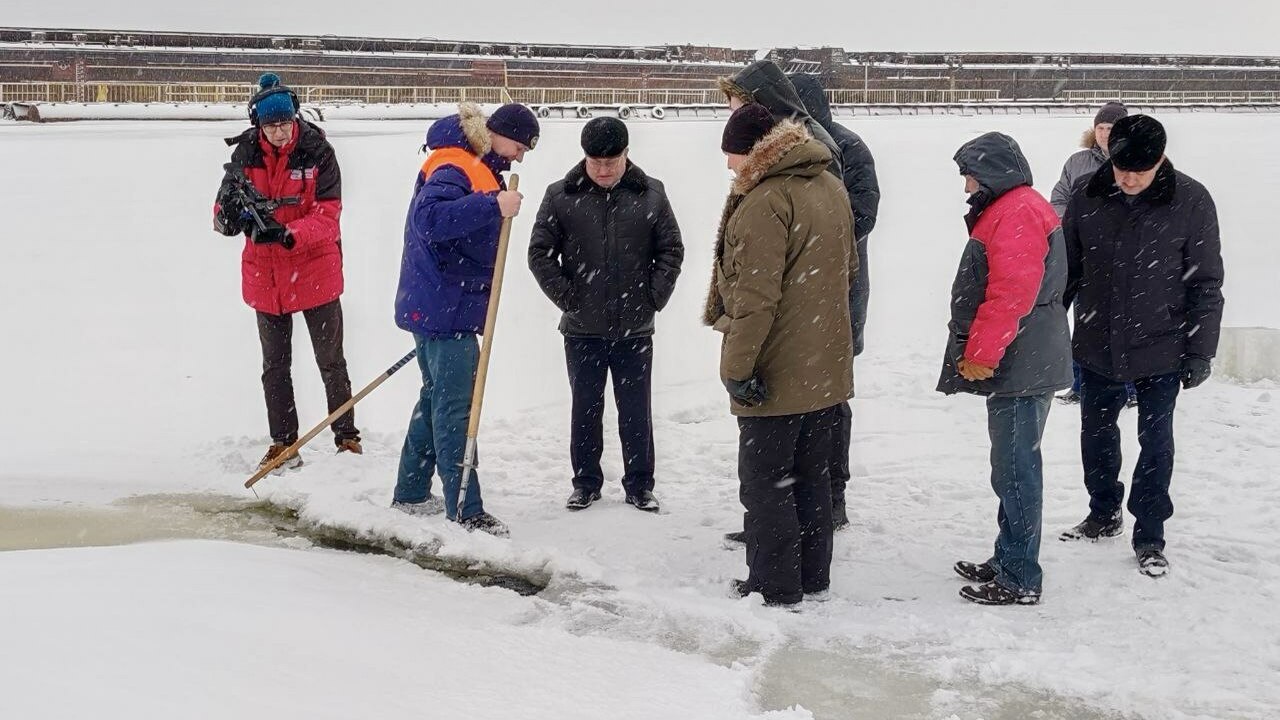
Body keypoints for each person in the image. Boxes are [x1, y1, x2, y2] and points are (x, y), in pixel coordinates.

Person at [1059, 115, 1224, 577]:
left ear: (1161, 160)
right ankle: (1102, 511)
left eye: (1141, 171)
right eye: (1121, 169)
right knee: (1096, 434)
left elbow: (1206, 284)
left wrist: (1200, 350)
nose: (1129, 179)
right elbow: (1067, 274)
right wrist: (1051, 332)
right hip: (1095, 342)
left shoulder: (1191, 201)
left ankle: (1150, 534)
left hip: (1162, 347)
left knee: (1155, 443)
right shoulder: (1087, 197)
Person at [706, 104, 855, 607]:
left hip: (776, 368)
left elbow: (754, 298)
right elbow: (847, 271)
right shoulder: (830, 186)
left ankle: (773, 582)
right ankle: (812, 574)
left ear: (752, 152)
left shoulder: (765, 200)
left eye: (731, 156)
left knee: (767, 482)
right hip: (824, 363)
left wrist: (737, 368)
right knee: (812, 475)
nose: (728, 167)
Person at [390, 102, 540, 537]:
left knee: (434, 398)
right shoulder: (456, 164)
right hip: (444, 308)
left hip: (437, 303)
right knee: (455, 408)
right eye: (520, 145)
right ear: (499, 133)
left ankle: (412, 489)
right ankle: (464, 508)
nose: (520, 156)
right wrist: (494, 205)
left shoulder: (470, 162)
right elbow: (431, 219)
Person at [940, 132, 1073, 606]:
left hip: (1023, 360)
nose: (967, 187)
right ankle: (1008, 556)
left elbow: (1011, 293)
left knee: (1016, 470)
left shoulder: (1016, 211)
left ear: (990, 172)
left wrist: (983, 352)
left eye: (969, 176)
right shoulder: (1019, 204)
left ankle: (1019, 576)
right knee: (1012, 466)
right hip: (1029, 355)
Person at [528, 117, 684, 512]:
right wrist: (569, 298)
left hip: (635, 328)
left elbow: (671, 250)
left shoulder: (651, 194)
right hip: (582, 329)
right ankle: (585, 482)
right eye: (594, 162)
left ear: (626, 155)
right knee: (586, 409)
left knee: (636, 410)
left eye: (610, 162)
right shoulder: (561, 195)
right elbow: (539, 254)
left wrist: (653, 297)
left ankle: (639, 485)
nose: (601, 170)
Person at [213, 73, 361, 470]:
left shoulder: (318, 152)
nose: (279, 132)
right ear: (258, 124)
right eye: (270, 125)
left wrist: (290, 233)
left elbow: (329, 217)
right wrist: (228, 218)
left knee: (331, 360)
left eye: (285, 123)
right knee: (275, 365)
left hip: (315, 270)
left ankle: (346, 436)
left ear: (295, 118)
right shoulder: (245, 156)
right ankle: (284, 442)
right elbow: (220, 213)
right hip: (266, 277)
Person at [789, 72, 881, 531]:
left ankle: (832, 495)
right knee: (786, 402)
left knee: (830, 400)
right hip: (793, 296)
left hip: (839, 294)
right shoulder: (781, 149)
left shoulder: (848, 148)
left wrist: (807, 242)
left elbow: (862, 216)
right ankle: (785, 501)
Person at [1050, 101, 1137, 408]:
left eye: (1111, 128)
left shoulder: (1137, 161)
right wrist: (1071, 221)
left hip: (1123, 257)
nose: (1104, 134)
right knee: (1083, 321)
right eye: (1100, 128)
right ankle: (1078, 384)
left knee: (1123, 322)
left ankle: (1130, 388)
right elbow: (1059, 196)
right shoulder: (1077, 162)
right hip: (1081, 254)